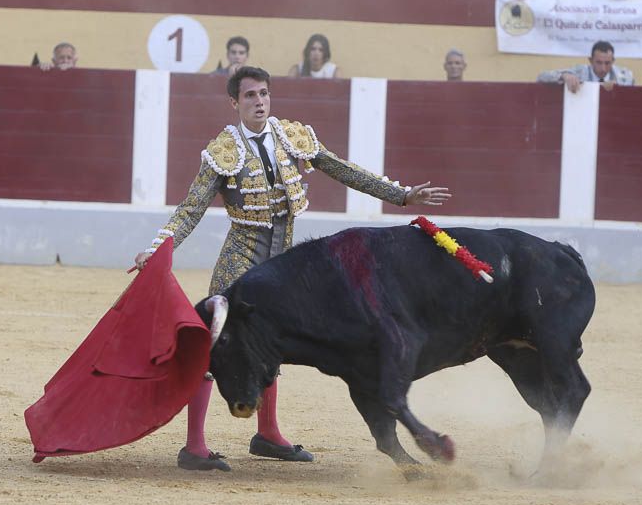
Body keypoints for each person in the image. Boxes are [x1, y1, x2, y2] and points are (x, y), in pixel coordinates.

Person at [133, 65, 452, 471]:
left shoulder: (291, 137)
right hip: (240, 259)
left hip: (281, 265)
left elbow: (342, 168)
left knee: (272, 348)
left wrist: (401, 195)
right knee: (214, 347)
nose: (259, 102)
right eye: (249, 96)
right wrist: (157, 248)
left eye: (263, 93)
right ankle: (194, 446)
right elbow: (190, 209)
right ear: (235, 103)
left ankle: (268, 435)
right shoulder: (222, 153)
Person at [538, 40, 635, 92]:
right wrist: (564, 76)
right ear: (591, 60)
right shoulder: (579, 72)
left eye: (607, 63)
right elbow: (541, 77)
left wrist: (618, 89)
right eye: (599, 62)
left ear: (613, 61)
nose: (603, 68)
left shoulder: (625, 77)